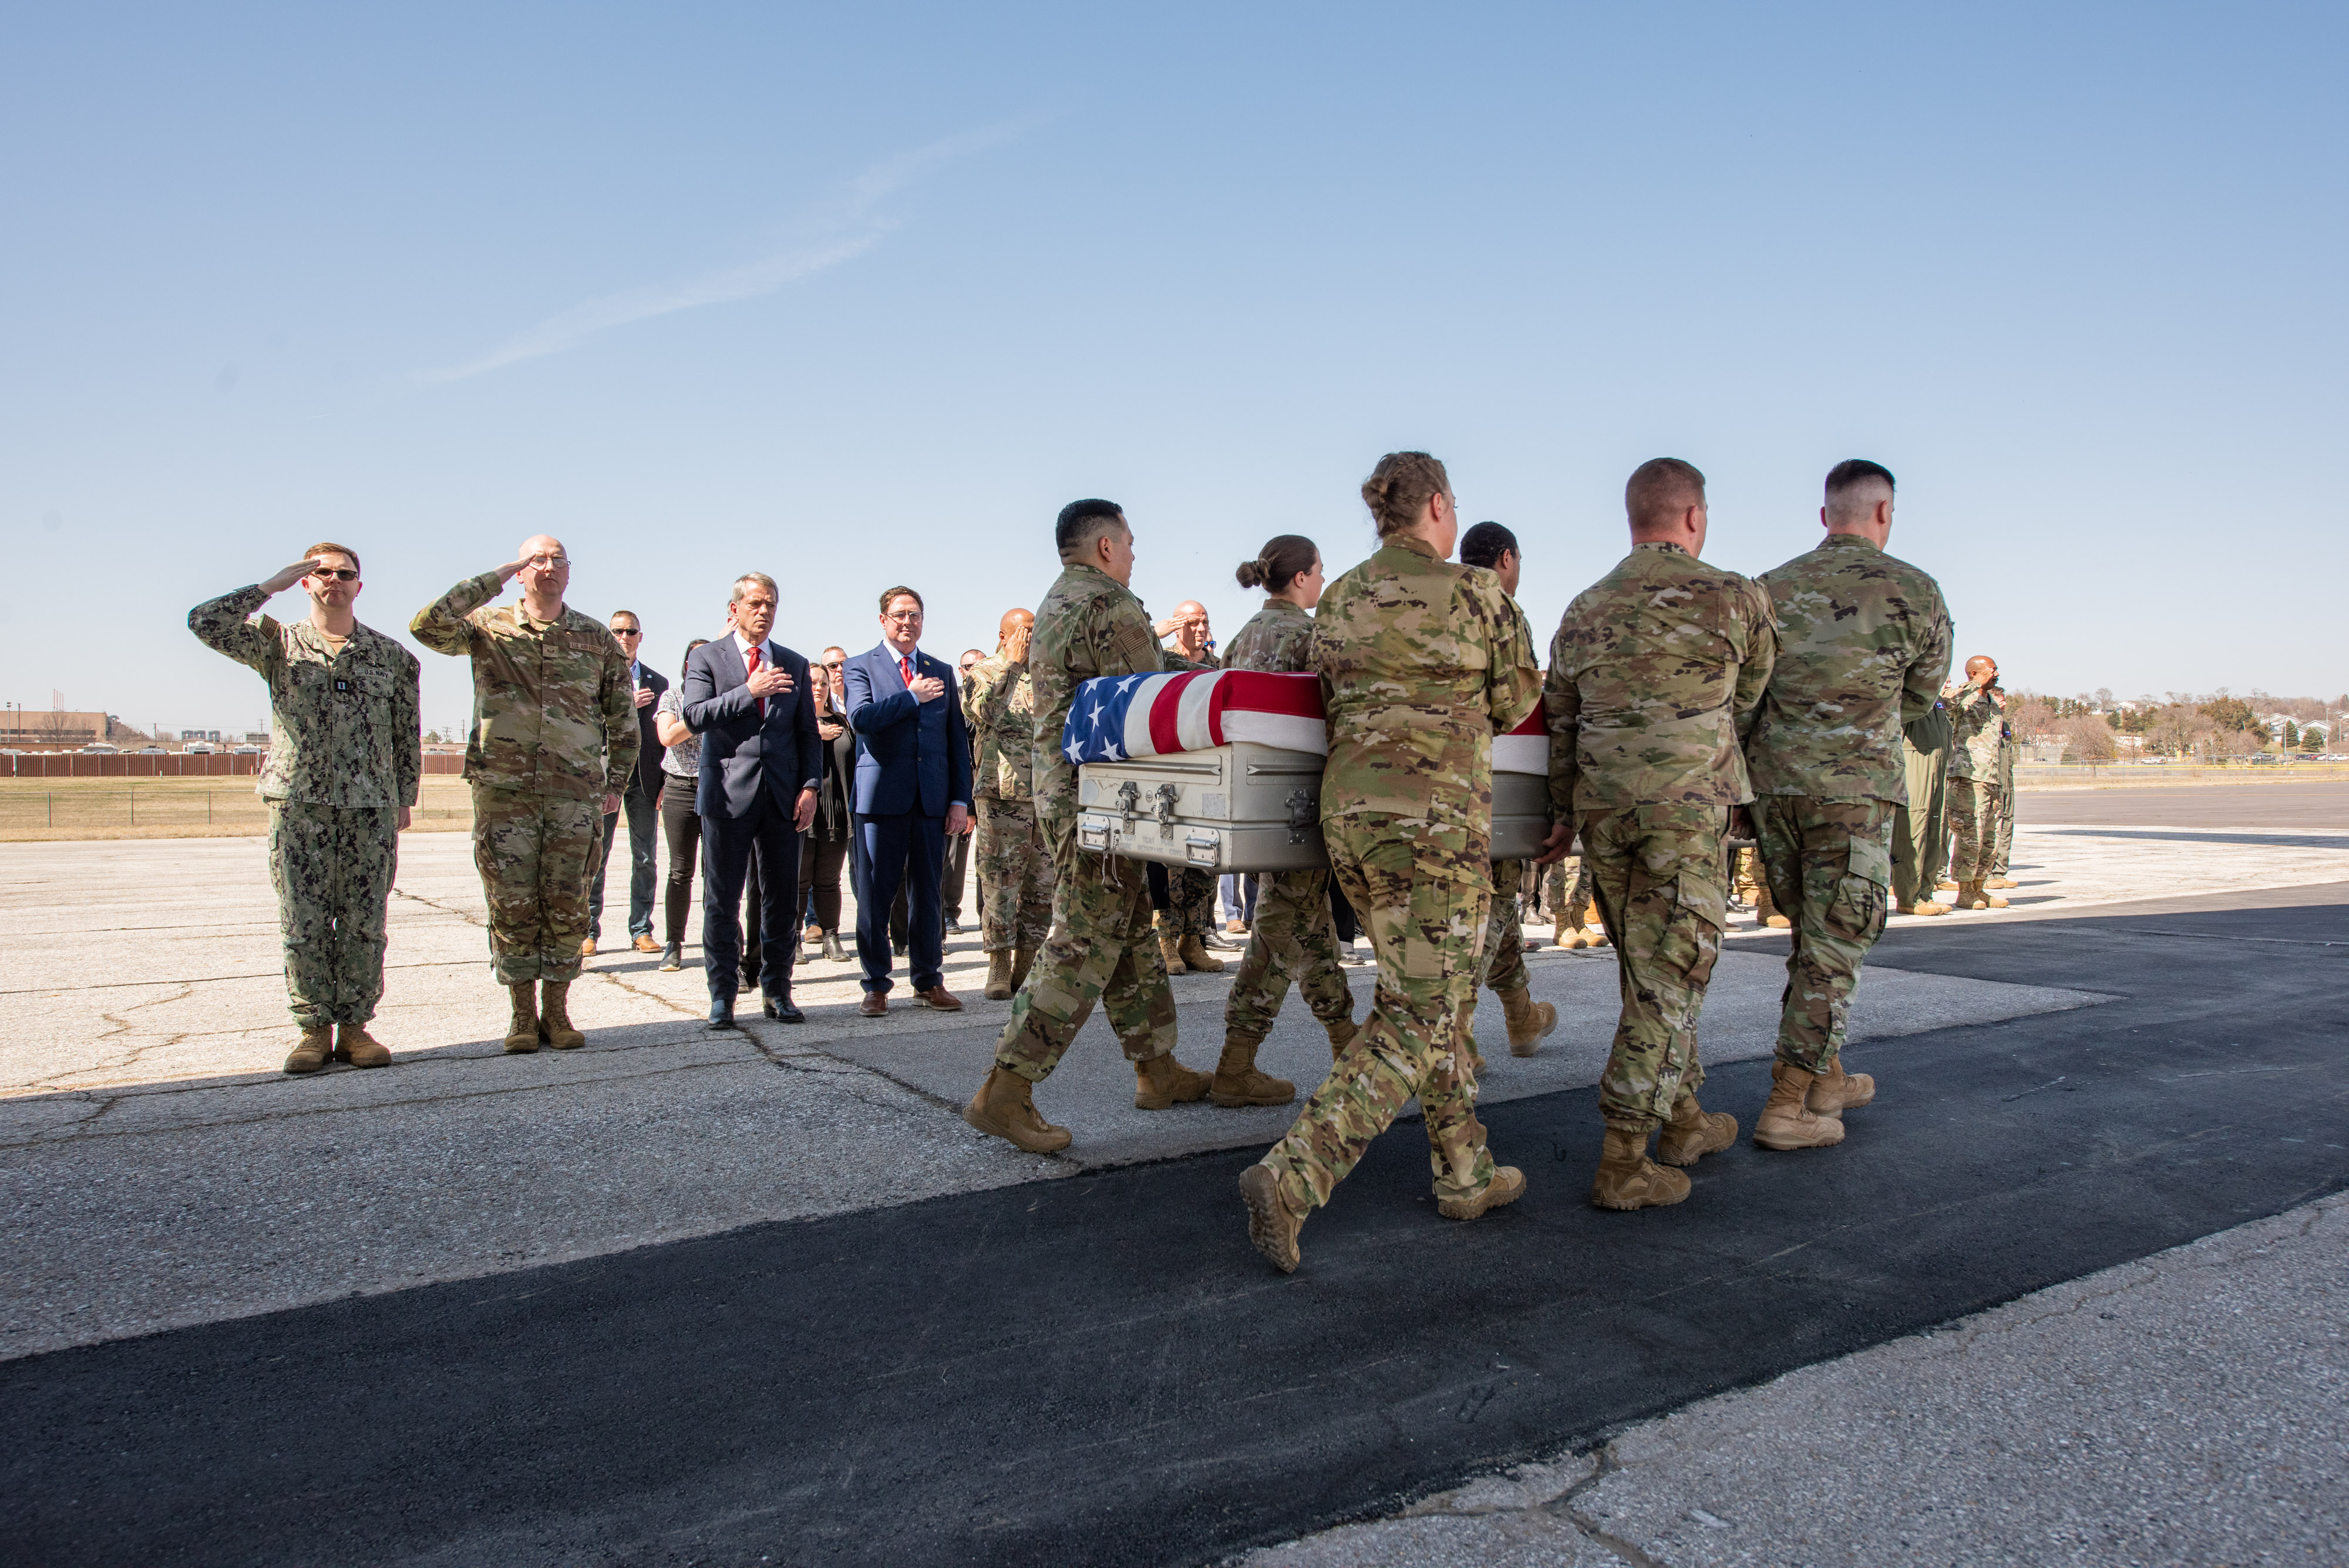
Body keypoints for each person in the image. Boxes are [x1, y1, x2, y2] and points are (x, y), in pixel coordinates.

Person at [1239, 452, 1542, 1273]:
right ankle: (1293, 1176)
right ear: (1438, 506)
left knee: (1427, 993)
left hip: (1352, 823)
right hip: (1433, 825)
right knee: (1417, 1010)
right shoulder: (1478, 594)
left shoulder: (1338, 599)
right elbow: (1517, 704)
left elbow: (1325, 698)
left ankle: (1464, 1168)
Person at [1536, 459, 1775, 1212]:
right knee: (1673, 974)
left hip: (1605, 807)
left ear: (1633, 519)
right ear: (1694, 518)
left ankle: (1685, 1119)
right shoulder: (1735, 598)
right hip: (1685, 806)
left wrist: (1563, 811)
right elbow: (1751, 698)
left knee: (1648, 966)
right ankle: (1623, 1157)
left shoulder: (1584, 607)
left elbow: (1561, 722)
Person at [963, 500, 1216, 1152]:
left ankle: (1156, 1070)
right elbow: (1154, 695)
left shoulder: (1055, 600)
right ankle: (1006, 1090)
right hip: (1099, 800)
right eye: (1129, 543)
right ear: (1105, 547)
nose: (1133, 554)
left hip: (1068, 794)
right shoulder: (1109, 603)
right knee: (1083, 940)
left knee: (1130, 932)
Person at [1746, 460, 1952, 1152]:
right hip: (1854, 791)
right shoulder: (1916, 592)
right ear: (1884, 513)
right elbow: (1919, 700)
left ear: (1824, 514)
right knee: (1833, 952)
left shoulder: (1768, 589)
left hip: (1775, 787)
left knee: (1813, 941)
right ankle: (1785, 1104)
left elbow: (1744, 692)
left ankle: (1824, 1078)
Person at [190, 545, 420, 1073]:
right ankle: (313, 1029)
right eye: (322, 573)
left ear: (359, 586)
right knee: (304, 922)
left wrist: (404, 798)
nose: (333, 581)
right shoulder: (277, 643)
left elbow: (405, 735)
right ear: (306, 583)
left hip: (370, 806)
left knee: (365, 921)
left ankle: (357, 1029)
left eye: (344, 574)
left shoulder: (392, 657)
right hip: (300, 804)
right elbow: (205, 622)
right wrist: (266, 586)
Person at [412, 537, 637, 1053]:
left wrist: (616, 785)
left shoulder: (595, 638)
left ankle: (557, 1014)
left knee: (567, 901)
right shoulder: (488, 627)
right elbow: (427, 626)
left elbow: (623, 720)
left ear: (569, 572)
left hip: (574, 794)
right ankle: (520, 1016)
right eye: (537, 560)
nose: (549, 568)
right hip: (504, 790)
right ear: (519, 571)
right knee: (510, 901)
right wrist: (492, 576)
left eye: (558, 560)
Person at [1215, 533, 1357, 1109]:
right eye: (1319, 572)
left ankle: (1342, 1047)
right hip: (1300, 805)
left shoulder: (1242, 636)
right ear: (1300, 577)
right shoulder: (1310, 634)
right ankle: (1243, 1063)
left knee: (1301, 925)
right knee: (1284, 927)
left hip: (1255, 808)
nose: (1322, 581)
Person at [681, 573, 820, 1027]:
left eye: (772, 605)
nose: (764, 612)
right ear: (735, 608)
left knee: (781, 900)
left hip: (782, 798)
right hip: (726, 795)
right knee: (722, 899)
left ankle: (777, 990)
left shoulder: (794, 663)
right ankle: (723, 995)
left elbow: (807, 734)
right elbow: (695, 716)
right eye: (756, 603)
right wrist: (750, 692)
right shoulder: (708, 658)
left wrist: (811, 786)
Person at [1456, 520, 1560, 1065]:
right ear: (1506, 558)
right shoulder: (1500, 606)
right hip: (1492, 783)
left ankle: (1522, 1018)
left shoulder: (1442, 599)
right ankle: (1460, 1040)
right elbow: (1516, 705)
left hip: (1443, 783)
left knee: (1500, 912)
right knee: (1490, 908)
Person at [842, 587, 971, 1016]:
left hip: (930, 801)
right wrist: (911, 696)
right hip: (881, 801)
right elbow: (862, 720)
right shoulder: (860, 666)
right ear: (882, 620)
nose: (907, 623)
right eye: (899, 615)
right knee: (876, 895)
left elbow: (955, 741)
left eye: (914, 615)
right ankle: (876, 984)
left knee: (929, 895)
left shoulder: (941, 669)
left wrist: (959, 800)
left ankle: (928, 979)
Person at [962, 609, 1055, 1000]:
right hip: (1002, 795)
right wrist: (1013, 667)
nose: (1031, 638)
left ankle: (1028, 962)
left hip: (1047, 796)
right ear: (1003, 635)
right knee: (1000, 882)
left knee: (1043, 885)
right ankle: (999, 962)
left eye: (1036, 631)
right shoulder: (983, 673)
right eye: (1023, 632)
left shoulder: (1049, 676)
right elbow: (985, 713)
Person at [1150, 600, 1229, 970]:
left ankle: (1193, 940)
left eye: (1205, 622)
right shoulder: (1162, 660)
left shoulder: (1217, 667)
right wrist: (1157, 634)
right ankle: (1166, 941)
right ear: (1178, 625)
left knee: (1204, 860)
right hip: (1173, 774)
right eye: (1192, 622)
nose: (1199, 629)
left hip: (1208, 774)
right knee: (1171, 862)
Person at [587, 610, 664, 959]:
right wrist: (622, 707)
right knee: (595, 857)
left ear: (640, 637)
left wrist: (664, 781)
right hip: (604, 780)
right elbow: (584, 727)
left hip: (643, 782)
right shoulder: (592, 680)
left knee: (645, 857)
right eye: (617, 631)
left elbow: (663, 738)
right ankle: (587, 930)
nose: (624, 637)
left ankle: (641, 929)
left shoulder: (658, 683)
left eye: (631, 631)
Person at [652, 638, 712, 970]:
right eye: (695, 660)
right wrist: (705, 713)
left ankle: (717, 943)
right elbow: (668, 737)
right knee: (680, 870)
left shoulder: (723, 698)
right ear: (688, 666)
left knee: (715, 872)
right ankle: (674, 943)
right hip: (680, 789)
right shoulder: (672, 696)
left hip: (717, 789)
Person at [799, 646, 854, 963]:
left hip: (837, 809)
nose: (818, 688)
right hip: (804, 809)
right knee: (799, 879)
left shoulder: (843, 721)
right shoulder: (794, 722)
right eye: (811, 683)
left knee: (829, 879)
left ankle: (831, 936)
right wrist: (812, 734)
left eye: (822, 682)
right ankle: (793, 938)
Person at [1945, 656, 2009, 910]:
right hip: (1968, 776)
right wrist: (1973, 685)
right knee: (1970, 835)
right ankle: (1964, 892)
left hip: (1991, 776)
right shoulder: (1964, 697)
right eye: (1992, 671)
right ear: (1975, 673)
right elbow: (1944, 701)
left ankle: (1979, 887)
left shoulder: (1992, 702)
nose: (1997, 674)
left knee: (1989, 837)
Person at [1892, 694, 1954, 915]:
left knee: (1934, 832)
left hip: (1937, 768)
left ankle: (1925, 894)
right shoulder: (1908, 692)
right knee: (1913, 831)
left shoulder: (1937, 700)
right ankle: (1909, 897)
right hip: (1915, 767)